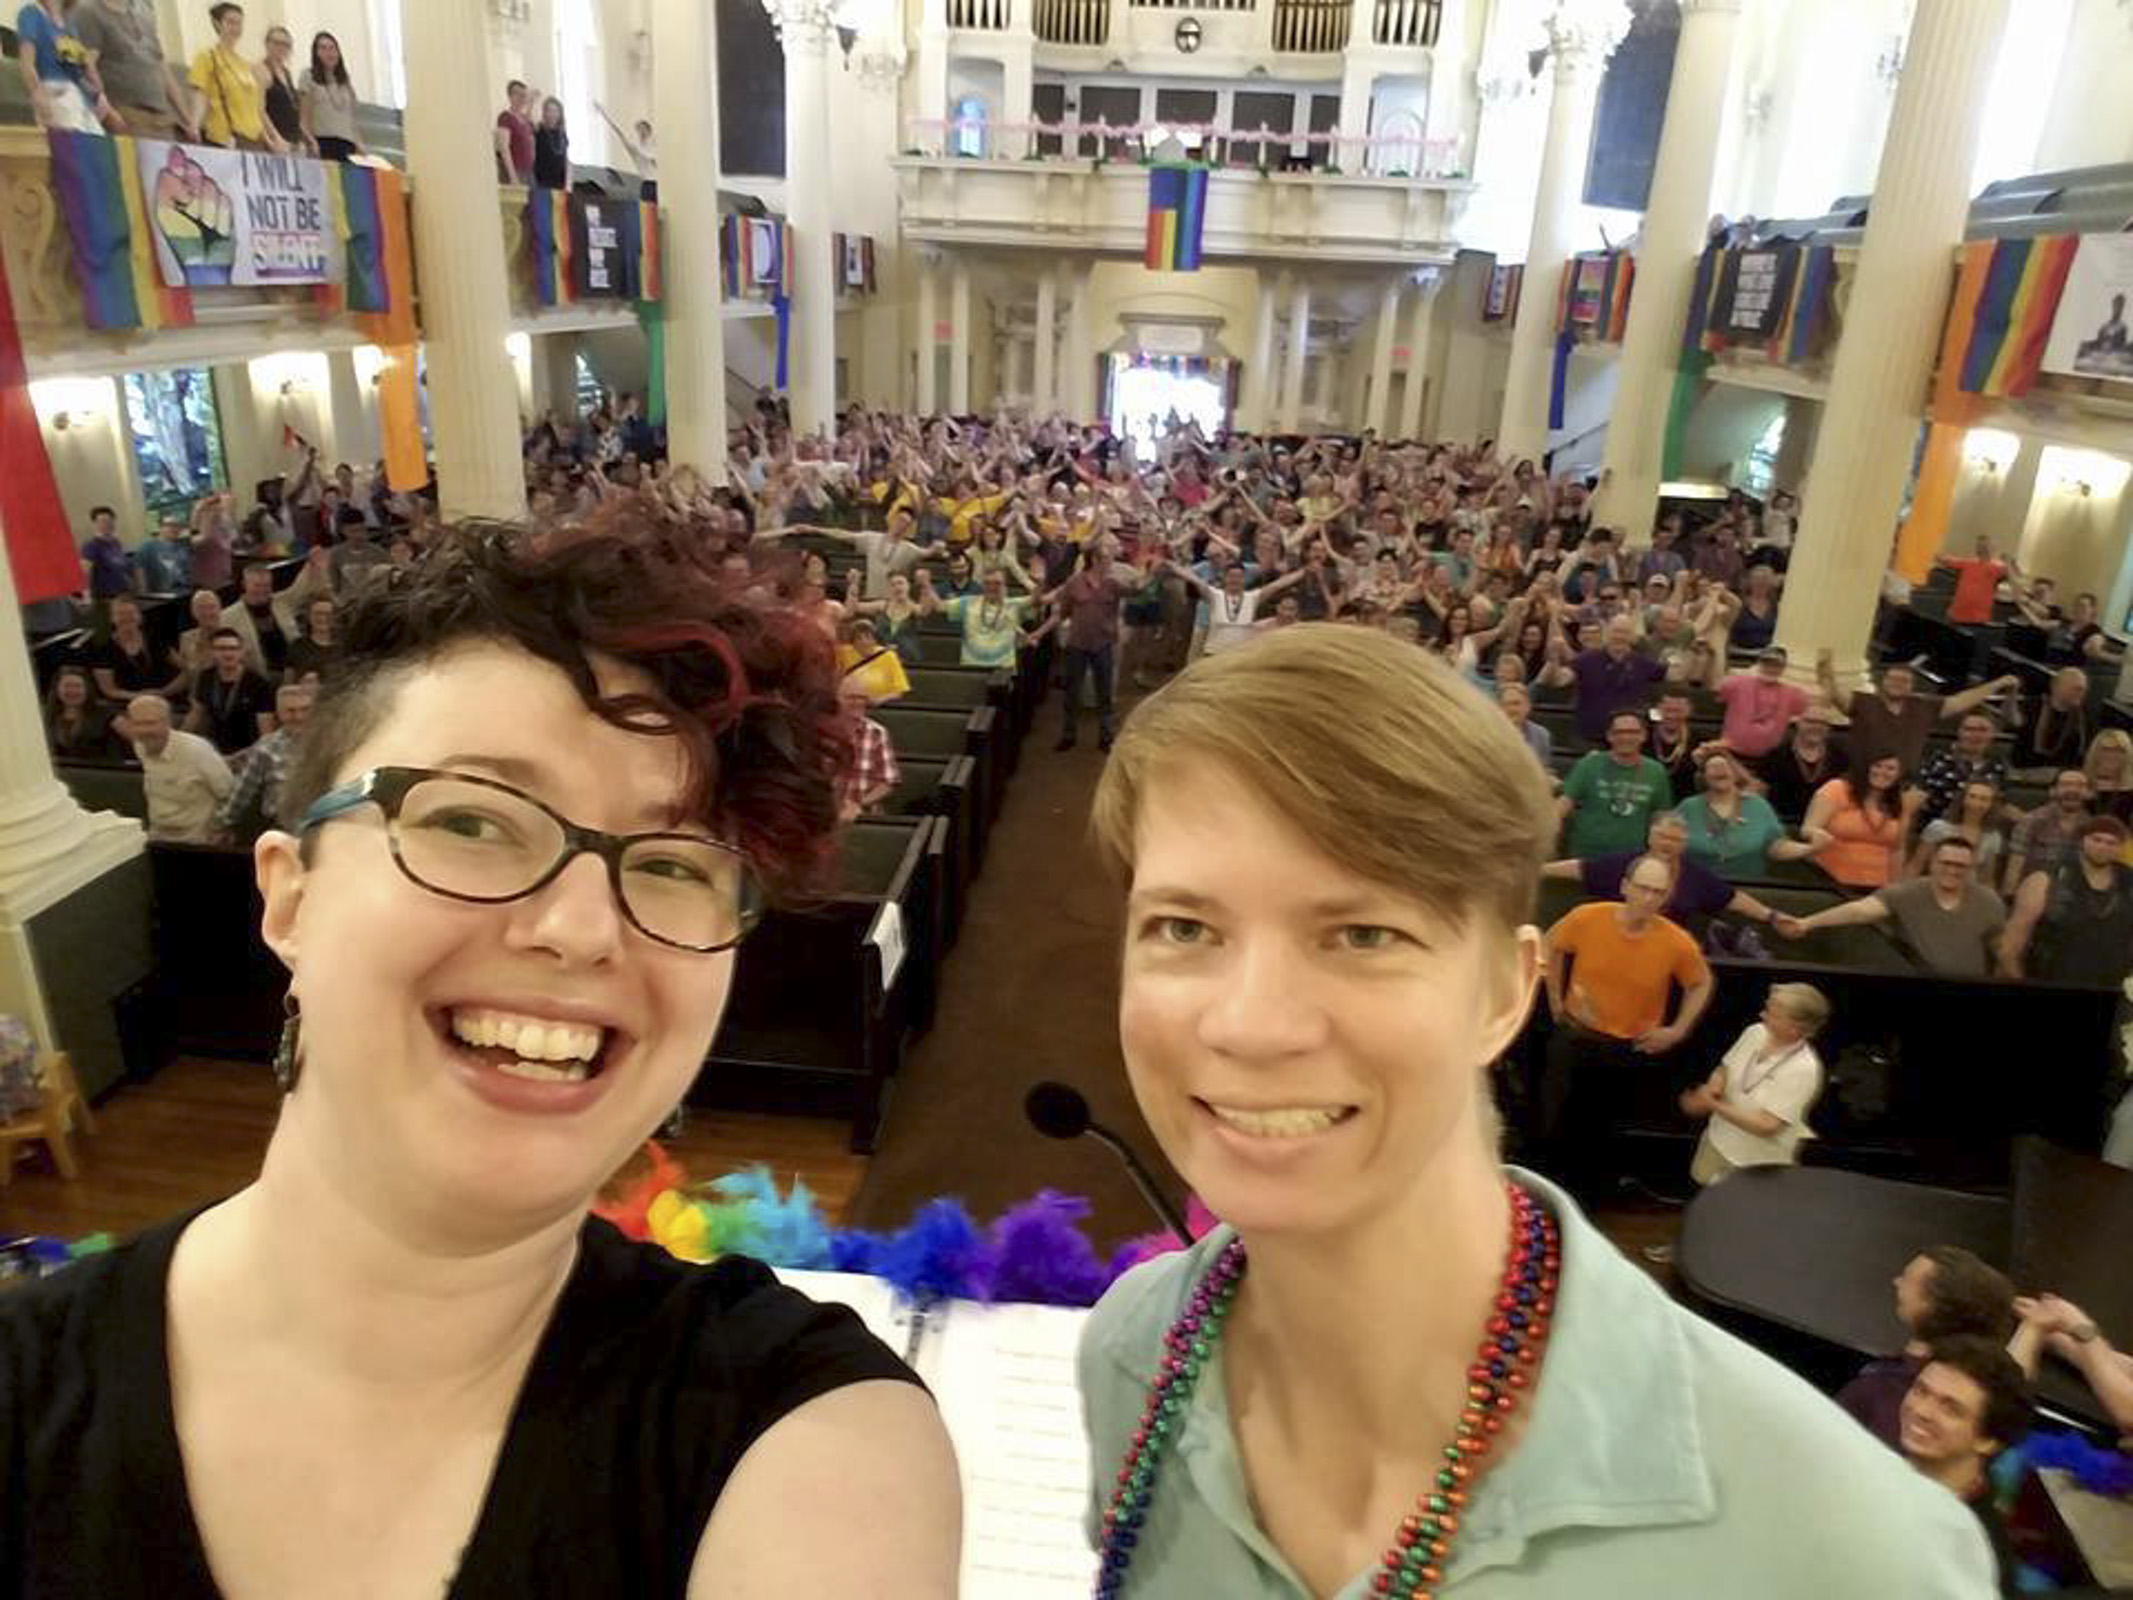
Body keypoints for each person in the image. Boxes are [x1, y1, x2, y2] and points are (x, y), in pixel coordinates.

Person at [2, 510, 960, 1595]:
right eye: (471, 822)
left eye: (673, 865)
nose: (583, 929)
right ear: (291, 897)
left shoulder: (803, 1434)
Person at [1077, 625, 1994, 1597]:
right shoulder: (1132, 1349)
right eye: (1184, 926)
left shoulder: (1850, 1552)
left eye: (1362, 933)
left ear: (1506, 993)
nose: (1250, 1024)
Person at [1540, 853, 1715, 1195]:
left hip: (1627, 1049)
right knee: (1555, 1121)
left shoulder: (1675, 941)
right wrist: (1555, 999)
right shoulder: (1588, 917)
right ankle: (1549, 1194)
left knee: (1606, 1132)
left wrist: (1677, 1029)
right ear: (1625, 886)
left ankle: (1589, 1200)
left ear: (1667, 897)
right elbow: (1553, 945)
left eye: (1658, 892)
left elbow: (1701, 982)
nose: (1649, 898)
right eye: (1643, 888)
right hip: (1576, 1037)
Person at [1837, 1246, 2018, 1452]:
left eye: (1908, 1279)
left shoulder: (1891, 1392)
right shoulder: (1892, 1376)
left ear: (1933, 1304)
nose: (1896, 1282)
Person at [1897, 1339, 2029, 1595]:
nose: (1921, 1411)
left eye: (1950, 1409)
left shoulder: (1976, 1558)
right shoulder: (1873, 1469)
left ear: (1987, 1440)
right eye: (1920, 1390)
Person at [1776, 836, 2005, 977]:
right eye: (1946, 863)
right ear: (1933, 863)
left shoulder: (1989, 902)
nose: (1953, 871)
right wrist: (1807, 923)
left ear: (1971, 868)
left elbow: (2002, 949)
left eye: (1961, 866)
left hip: (1971, 987)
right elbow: (1861, 911)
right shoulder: (1907, 893)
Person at [1678, 982, 1830, 1185]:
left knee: (1740, 1204)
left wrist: (1712, 1104)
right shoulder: (1755, 1032)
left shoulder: (1803, 1069)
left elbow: (1766, 1126)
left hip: (1754, 1161)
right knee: (1705, 1188)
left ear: (1795, 1029)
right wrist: (1714, 1088)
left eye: (1773, 1015)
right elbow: (1725, 1068)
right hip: (1718, 1139)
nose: (1762, 1015)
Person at [1545, 810, 1784, 936]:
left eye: (1675, 840)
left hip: (1669, 947)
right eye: (1662, 837)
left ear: (1685, 844)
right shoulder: (1622, 862)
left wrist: (1772, 916)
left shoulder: (1697, 876)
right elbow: (1581, 868)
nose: (1667, 844)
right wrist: (1538, 869)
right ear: (1650, 836)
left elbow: (1733, 899)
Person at [1817, 654, 2016, 773]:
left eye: (1904, 681)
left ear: (1913, 686)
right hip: (1861, 776)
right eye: (1892, 679)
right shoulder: (1864, 702)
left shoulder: (1924, 706)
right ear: (1883, 682)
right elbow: (1835, 695)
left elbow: (1961, 700)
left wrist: (1997, 684)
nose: (1897, 684)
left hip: (1904, 782)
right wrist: (1826, 670)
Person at [1999, 814, 2133, 985]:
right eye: (2096, 839)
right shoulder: (2045, 880)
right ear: (2082, 840)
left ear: (2121, 847)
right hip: (2050, 982)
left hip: (2113, 987)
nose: (2102, 847)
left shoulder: (2129, 885)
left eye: (2111, 843)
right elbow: (2010, 947)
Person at [1047, 541, 1139, 753]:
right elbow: (1063, 612)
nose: (1110, 562)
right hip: (1077, 644)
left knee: (1105, 693)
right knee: (1072, 692)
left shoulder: (1112, 584)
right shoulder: (1074, 582)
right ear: (1095, 560)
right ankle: (1068, 735)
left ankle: (1106, 737)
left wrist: (1152, 573)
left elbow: (1136, 592)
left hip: (1103, 644)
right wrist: (1042, 632)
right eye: (1106, 558)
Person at [1676, 752, 1825, 878]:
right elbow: (1668, 842)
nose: (1720, 770)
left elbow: (1776, 846)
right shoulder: (1688, 807)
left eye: (1725, 766)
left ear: (1735, 774)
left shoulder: (1758, 806)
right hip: (1698, 885)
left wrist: (1809, 848)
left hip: (1750, 886)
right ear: (1703, 777)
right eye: (1713, 767)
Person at [71, 0, 199, 141]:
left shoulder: (144, 8)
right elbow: (88, 66)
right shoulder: (90, 11)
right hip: (126, 114)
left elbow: (161, 67)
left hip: (162, 118)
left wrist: (188, 120)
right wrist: (109, 113)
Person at [1557, 710, 1672, 857]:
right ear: (1609, 736)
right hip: (1586, 853)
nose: (1625, 737)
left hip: (1633, 855)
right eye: (1619, 732)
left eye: (1633, 732)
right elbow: (1564, 803)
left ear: (1643, 736)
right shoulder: (1589, 764)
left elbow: (1661, 816)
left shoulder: (1656, 771)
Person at [124, 691, 233, 842]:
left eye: (150, 723)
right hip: (157, 837)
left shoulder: (197, 750)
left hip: (198, 841)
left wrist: (219, 830)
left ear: (168, 723)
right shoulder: (140, 746)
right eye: (138, 724)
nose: (145, 731)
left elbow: (229, 793)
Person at [212, 682, 312, 842]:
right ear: (279, 714)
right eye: (291, 711)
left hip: (322, 826)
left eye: (305, 710)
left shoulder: (331, 743)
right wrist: (223, 824)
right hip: (281, 828)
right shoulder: (266, 747)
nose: (298, 717)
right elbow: (243, 791)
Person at [1802, 755, 1913, 889]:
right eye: (1877, 766)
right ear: (1865, 767)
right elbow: (1808, 828)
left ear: (1898, 775)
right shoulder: (1837, 788)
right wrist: (1817, 836)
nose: (1882, 772)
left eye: (1890, 768)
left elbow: (1898, 850)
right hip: (1829, 881)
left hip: (1877, 887)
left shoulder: (1900, 803)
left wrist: (1895, 887)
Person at [189, 2, 285, 152]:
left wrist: (269, 139)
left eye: (239, 23)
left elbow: (255, 109)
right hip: (224, 139)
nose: (235, 28)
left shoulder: (245, 64)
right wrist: (194, 124)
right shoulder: (207, 57)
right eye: (230, 22)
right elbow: (200, 94)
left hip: (253, 141)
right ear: (217, 24)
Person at [15, 0, 119, 133]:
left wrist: (97, 94)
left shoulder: (69, 24)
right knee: (75, 139)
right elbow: (26, 63)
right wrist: (37, 93)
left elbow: (80, 71)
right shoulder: (31, 13)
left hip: (79, 96)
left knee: (98, 140)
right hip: (54, 92)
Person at [1568, 614, 1665, 745]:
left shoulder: (1644, 664)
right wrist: (1553, 660)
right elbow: (1561, 679)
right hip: (1591, 738)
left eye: (1625, 632)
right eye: (1616, 631)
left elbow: (1673, 675)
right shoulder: (1585, 660)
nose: (1619, 637)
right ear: (1607, 633)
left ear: (1633, 637)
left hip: (1630, 739)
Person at [184, 626, 278, 756]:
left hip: (248, 750)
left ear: (242, 652)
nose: (228, 654)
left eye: (233, 648)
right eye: (221, 649)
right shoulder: (206, 677)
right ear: (212, 652)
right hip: (214, 748)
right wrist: (178, 738)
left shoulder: (258, 683)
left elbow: (266, 731)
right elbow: (196, 713)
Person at [918, 565, 1033, 669]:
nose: (992, 587)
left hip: (1003, 670)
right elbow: (939, 606)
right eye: (987, 583)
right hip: (971, 667)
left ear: (1004, 585)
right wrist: (926, 584)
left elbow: (1037, 598)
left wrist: (1040, 581)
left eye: (997, 583)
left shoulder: (1014, 605)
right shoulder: (968, 602)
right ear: (982, 584)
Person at [2000, 767, 2093, 895]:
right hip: (2033, 893)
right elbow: (2014, 869)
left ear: (2089, 793)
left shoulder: (2094, 828)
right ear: (2052, 791)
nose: (2073, 790)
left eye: (2080, 785)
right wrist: (2009, 898)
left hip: (2074, 896)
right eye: (2066, 784)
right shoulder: (2031, 821)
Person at [1756, 701, 1849, 820]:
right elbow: (1760, 794)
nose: (1817, 727)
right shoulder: (1776, 753)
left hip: (1823, 822)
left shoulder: (1840, 755)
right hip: (1782, 821)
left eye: (1823, 723)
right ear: (1798, 723)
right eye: (1810, 721)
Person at [1714, 647, 1809, 761]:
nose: (1771, 668)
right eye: (1767, 663)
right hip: (1731, 752)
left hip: (1771, 758)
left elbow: (1807, 713)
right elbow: (1717, 691)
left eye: (1776, 665)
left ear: (1783, 668)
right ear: (1759, 664)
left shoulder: (1794, 694)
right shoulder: (1735, 683)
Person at [1908, 779, 2009, 883]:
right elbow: (1916, 865)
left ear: (1991, 804)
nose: (1976, 803)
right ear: (1963, 799)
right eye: (1972, 796)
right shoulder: (1939, 828)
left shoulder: (1993, 837)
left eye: (1984, 799)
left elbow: (1987, 878)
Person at [1915, 712, 2008, 824]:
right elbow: (1917, 799)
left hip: (1980, 828)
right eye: (1969, 729)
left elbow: (2001, 805)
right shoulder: (1936, 760)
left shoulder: (1997, 767)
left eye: (1983, 730)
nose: (1976, 735)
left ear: (1992, 734)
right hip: (1936, 825)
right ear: (1959, 732)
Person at [89, 595, 182, 703]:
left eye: (131, 613)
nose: (126, 617)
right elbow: (109, 690)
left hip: (166, 698)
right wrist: (138, 696)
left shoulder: (155, 637)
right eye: (120, 614)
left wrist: (165, 691)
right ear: (112, 619)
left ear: (140, 617)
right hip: (126, 703)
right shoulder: (102, 648)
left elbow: (185, 669)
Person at [833, 679, 898, 823]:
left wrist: (858, 805)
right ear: (836, 700)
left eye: (862, 698)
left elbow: (889, 782)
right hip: (825, 811)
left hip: (865, 813)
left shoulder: (877, 732)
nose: (858, 702)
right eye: (851, 697)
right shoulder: (821, 732)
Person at [2009, 667, 2091, 776]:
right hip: (2025, 771)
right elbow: (2015, 721)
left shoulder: (2081, 717)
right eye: (2077, 689)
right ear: (2057, 687)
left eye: (2084, 690)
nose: (2081, 693)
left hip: (2061, 775)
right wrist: (2011, 694)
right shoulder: (2035, 704)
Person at [299, 30, 364, 161]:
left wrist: (360, 144)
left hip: (348, 144)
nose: (329, 53)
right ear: (316, 53)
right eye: (323, 48)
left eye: (332, 48)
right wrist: (310, 141)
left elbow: (352, 118)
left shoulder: (345, 81)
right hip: (323, 142)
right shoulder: (308, 76)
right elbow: (304, 117)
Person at [43, 666, 129, 761]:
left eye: (78, 686)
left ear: (87, 689)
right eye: (67, 686)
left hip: (100, 768)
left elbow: (132, 734)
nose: (72, 691)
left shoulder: (105, 712)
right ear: (56, 689)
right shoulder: (44, 715)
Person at [1938, 535, 2013, 627]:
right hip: (1957, 613)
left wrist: (2008, 563)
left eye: (1986, 547)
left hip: (1978, 617)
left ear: (1993, 549)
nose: (1982, 549)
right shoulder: (1968, 563)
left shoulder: (1998, 567)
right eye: (1980, 547)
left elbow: (2012, 577)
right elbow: (1946, 560)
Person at [78, 505, 135, 607]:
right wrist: (86, 598)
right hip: (106, 598)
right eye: (103, 521)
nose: (107, 524)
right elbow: (85, 572)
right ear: (95, 523)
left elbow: (122, 566)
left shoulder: (116, 542)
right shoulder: (91, 545)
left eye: (110, 520)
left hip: (124, 594)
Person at [258, 21, 301, 149]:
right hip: (274, 141)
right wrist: (274, 137)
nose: (281, 48)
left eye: (286, 45)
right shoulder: (261, 69)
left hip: (292, 139)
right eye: (277, 43)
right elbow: (259, 109)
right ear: (267, 44)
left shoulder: (286, 73)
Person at [134, 514, 193, 594]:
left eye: (177, 526)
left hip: (185, 592)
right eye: (170, 525)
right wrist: (144, 595)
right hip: (161, 596)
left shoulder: (183, 548)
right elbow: (139, 573)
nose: (174, 528)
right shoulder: (147, 547)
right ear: (160, 527)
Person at [495, 78, 536, 184]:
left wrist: (531, 102)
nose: (521, 98)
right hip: (517, 171)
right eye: (516, 94)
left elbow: (530, 127)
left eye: (523, 95)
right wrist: (513, 176)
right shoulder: (505, 117)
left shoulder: (523, 117)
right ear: (509, 96)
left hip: (529, 170)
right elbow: (504, 148)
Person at [533, 95, 570, 189]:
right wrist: (531, 102)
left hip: (560, 180)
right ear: (544, 113)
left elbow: (565, 156)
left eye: (556, 111)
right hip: (542, 181)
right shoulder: (539, 129)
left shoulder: (562, 132)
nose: (553, 114)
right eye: (549, 110)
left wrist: (568, 179)